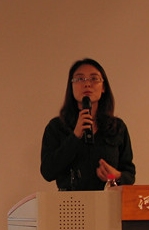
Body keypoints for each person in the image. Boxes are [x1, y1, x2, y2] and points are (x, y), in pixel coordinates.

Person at [40, 58, 135, 191]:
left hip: (107, 200)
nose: (87, 84)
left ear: (103, 87)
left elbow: (129, 175)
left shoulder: (117, 127)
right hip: (70, 202)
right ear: (71, 87)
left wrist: (116, 176)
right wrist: (75, 136)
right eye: (80, 79)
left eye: (94, 78)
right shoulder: (56, 127)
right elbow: (48, 172)